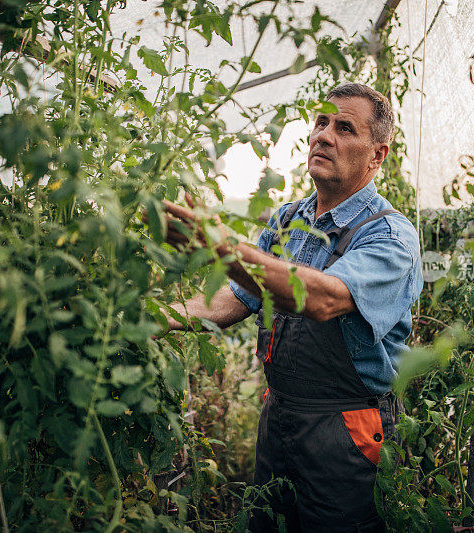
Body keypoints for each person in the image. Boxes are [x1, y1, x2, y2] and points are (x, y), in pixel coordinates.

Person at [161, 82, 423, 531]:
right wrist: (162, 316)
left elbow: (320, 297)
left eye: (344, 127)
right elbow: (241, 296)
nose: (324, 135)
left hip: (346, 429)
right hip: (280, 413)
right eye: (321, 122)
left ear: (377, 156)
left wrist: (222, 247)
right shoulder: (289, 220)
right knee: (267, 522)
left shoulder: (389, 236)